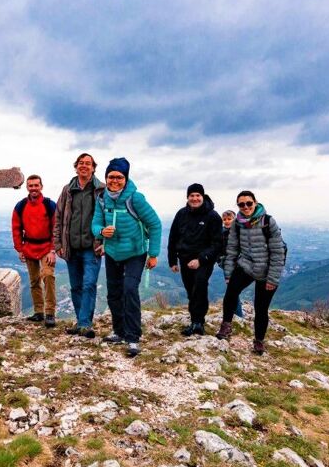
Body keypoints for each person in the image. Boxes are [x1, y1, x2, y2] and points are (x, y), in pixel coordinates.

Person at [92, 157, 162, 358]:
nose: (114, 181)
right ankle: (119, 331)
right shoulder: (102, 199)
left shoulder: (135, 199)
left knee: (130, 290)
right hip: (113, 252)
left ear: (126, 178)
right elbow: (95, 224)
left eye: (119, 177)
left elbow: (155, 224)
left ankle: (133, 337)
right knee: (113, 293)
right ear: (106, 178)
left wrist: (154, 254)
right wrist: (101, 231)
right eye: (110, 177)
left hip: (135, 253)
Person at [218, 191, 286, 355]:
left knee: (261, 308)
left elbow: (278, 252)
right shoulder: (237, 223)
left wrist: (273, 279)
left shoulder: (268, 222)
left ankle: (259, 341)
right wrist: (228, 274)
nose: (246, 207)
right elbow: (232, 249)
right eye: (241, 204)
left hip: (267, 270)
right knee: (231, 293)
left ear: (255, 202)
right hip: (246, 266)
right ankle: (226, 325)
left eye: (249, 203)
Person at [53, 153, 105, 338]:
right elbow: (58, 217)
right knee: (75, 286)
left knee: (89, 284)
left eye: (88, 163)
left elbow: (108, 217)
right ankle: (82, 322)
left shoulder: (101, 190)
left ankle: (84, 323)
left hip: (92, 247)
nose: (84, 166)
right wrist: (57, 243)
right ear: (76, 167)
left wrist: (104, 242)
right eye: (81, 163)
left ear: (93, 168)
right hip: (72, 247)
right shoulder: (68, 190)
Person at [168, 184, 223, 336]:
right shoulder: (181, 214)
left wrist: (201, 259)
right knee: (190, 290)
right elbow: (173, 237)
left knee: (200, 286)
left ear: (203, 197)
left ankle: (199, 323)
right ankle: (194, 321)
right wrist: (172, 260)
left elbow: (217, 243)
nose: (195, 198)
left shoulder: (212, 216)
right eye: (191, 195)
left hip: (204, 260)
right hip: (184, 259)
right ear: (187, 197)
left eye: (198, 195)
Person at [13, 175, 58, 327]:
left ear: (41, 186)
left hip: (46, 247)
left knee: (48, 276)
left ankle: (50, 313)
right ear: (27, 187)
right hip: (29, 247)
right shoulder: (20, 206)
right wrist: (19, 249)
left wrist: (53, 249)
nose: (33, 188)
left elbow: (56, 228)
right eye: (30, 185)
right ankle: (39, 312)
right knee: (34, 281)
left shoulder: (49, 205)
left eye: (36, 185)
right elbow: (16, 228)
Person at [217, 209, 243, 318]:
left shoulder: (238, 232)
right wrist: (220, 260)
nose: (227, 221)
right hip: (226, 265)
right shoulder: (221, 233)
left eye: (229, 219)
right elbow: (218, 249)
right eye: (224, 219)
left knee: (233, 290)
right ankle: (236, 313)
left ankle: (237, 314)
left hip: (237, 264)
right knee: (232, 290)